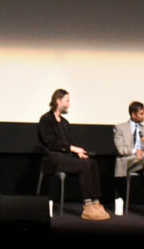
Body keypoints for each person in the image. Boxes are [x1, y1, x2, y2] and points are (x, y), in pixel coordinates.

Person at [37, 89, 109, 220]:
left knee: (91, 163)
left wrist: (78, 152)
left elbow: (69, 144)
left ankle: (95, 201)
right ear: (58, 101)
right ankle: (87, 205)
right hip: (52, 158)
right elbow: (51, 143)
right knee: (83, 166)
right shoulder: (46, 119)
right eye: (67, 101)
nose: (69, 104)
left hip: (66, 157)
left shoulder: (64, 123)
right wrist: (73, 149)